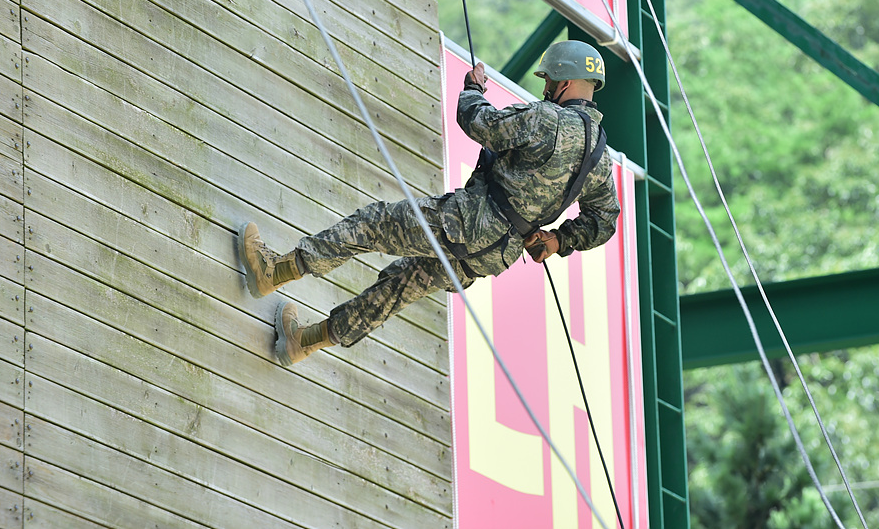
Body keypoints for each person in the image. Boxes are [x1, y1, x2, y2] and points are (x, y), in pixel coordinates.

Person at [238, 39, 621, 366]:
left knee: (374, 224)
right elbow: (604, 221)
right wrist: (558, 241)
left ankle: (274, 271)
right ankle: (303, 343)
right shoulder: (600, 157)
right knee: (397, 287)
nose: (546, 88)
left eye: (550, 80)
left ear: (565, 81)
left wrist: (473, 89)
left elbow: (479, 123)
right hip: (491, 256)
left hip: (468, 221)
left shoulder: (548, 119)